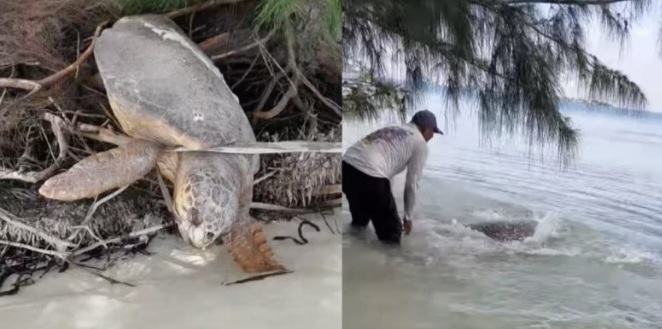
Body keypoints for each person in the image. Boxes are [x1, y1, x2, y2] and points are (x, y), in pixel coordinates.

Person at [342, 110, 443, 244]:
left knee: (360, 223)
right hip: (371, 173)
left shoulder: (394, 128)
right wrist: (408, 217)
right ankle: (390, 262)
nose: (432, 137)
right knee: (392, 233)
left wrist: (386, 199)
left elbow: (387, 169)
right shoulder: (420, 143)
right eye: (433, 132)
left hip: (347, 167)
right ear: (426, 128)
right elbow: (411, 184)